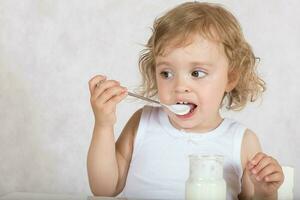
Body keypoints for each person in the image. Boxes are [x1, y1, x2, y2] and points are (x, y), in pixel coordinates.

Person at [87, 2, 284, 199]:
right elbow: (104, 188)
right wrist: (104, 125)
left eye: (197, 73)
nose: (180, 86)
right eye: (166, 73)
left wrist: (265, 192)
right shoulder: (142, 123)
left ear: (230, 78)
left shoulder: (241, 141)